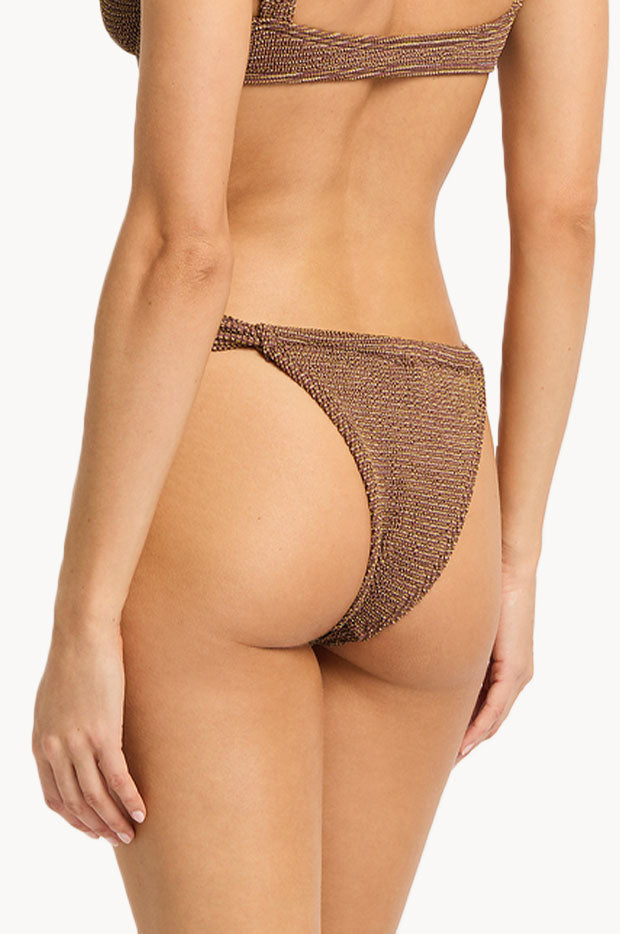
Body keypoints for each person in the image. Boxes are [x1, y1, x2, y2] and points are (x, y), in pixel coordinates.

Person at [31, 0, 608, 930]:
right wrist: (517, 563)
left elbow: (183, 251)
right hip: (444, 462)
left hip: (250, 452)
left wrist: (83, 621)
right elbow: (563, 222)